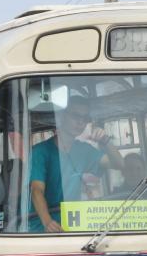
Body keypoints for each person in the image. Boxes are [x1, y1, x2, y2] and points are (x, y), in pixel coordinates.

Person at [30, 96, 124, 232]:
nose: (80, 122)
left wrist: (105, 140)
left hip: (72, 224)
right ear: (62, 116)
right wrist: (48, 222)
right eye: (75, 116)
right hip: (40, 226)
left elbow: (119, 164)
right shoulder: (40, 151)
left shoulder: (83, 150)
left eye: (85, 118)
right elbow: (37, 190)